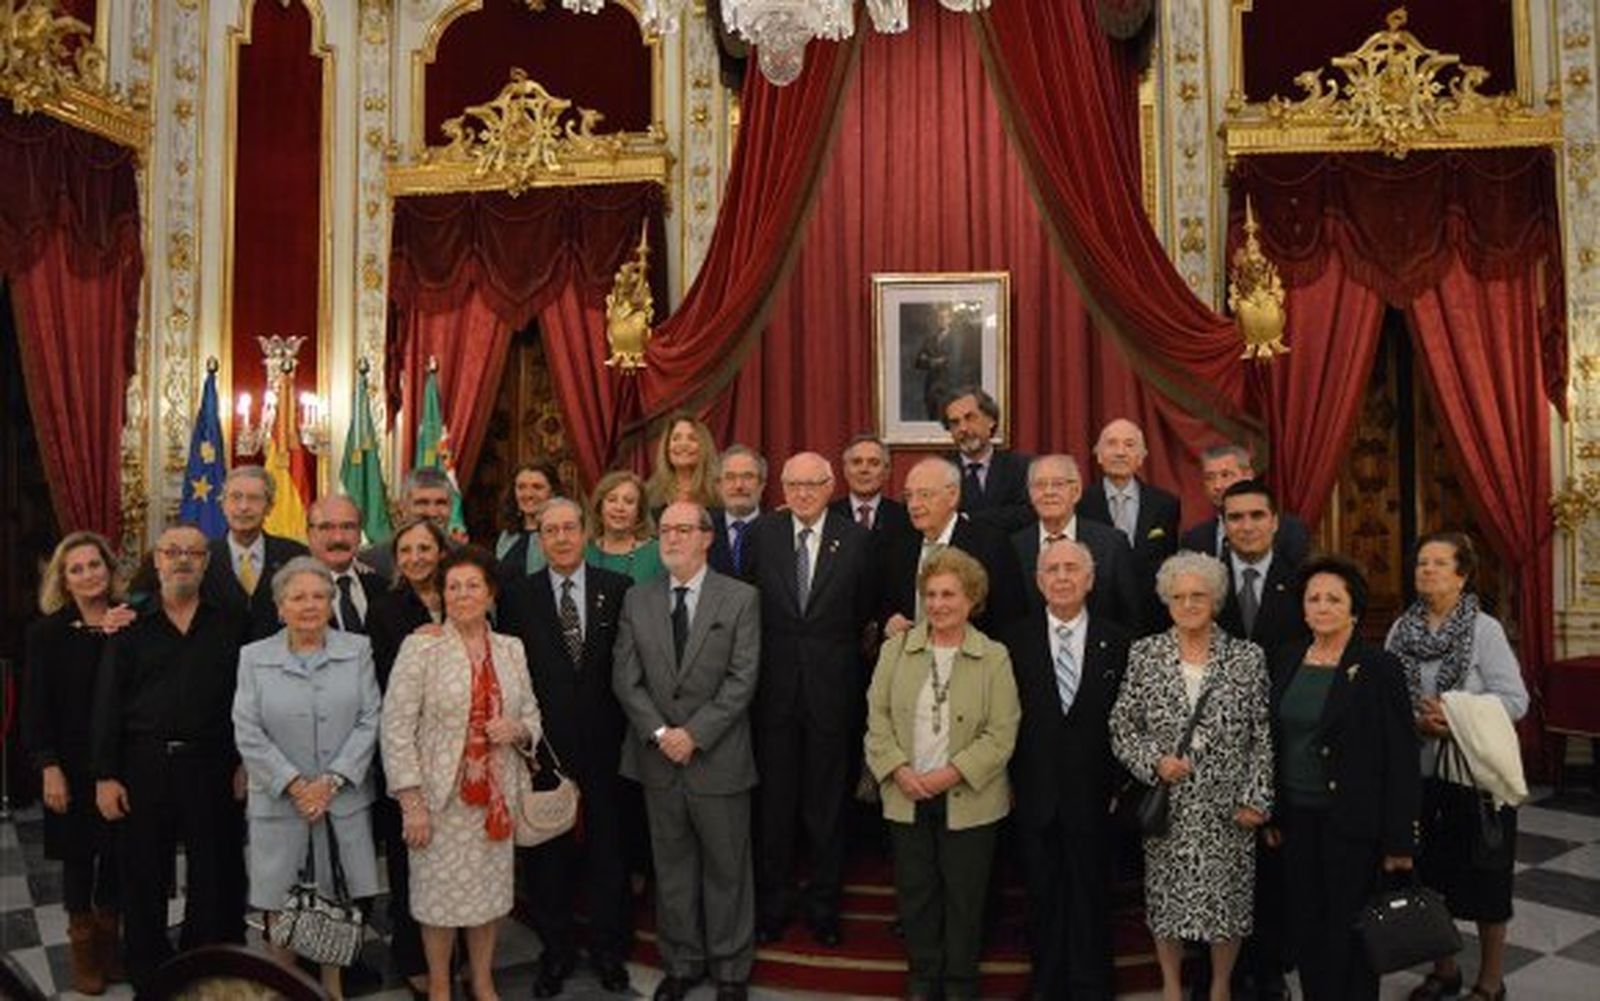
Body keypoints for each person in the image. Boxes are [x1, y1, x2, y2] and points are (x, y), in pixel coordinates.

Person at [91, 523, 252, 987]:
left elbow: (247, 699)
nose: (183, 559)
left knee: (216, 868)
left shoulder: (231, 623)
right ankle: (149, 971)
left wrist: (244, 760)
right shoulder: (128, 625)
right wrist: (104, 776)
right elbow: (107, 705)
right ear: (157, 560)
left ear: (206, 563)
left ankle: (209, 962)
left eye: (194, 553)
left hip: (214, 763)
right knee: (142, 871)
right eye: (173, 551)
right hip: (144, 764)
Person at [612, 501, 761, 1001]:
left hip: (718, 759)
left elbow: (742, 681)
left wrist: (693, 735)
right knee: (672, 869)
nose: (671, 538)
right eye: (665, 531)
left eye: (682, 530)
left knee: (727, 870)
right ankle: (681, 963)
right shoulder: (639, 599)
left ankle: (731, 970)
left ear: (707, 537)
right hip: (658, 760)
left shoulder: (740, 599)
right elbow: (625, 679)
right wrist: (660, 734)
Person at [1110, 551, 1273, 1001]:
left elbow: (1261, 734)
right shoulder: (1145, 653)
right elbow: (1122, 727)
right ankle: (1171, 988)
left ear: (1216, 600)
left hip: (1227, 808)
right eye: (1178, 596)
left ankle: (1220, 987)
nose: (1188, 604)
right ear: (1166, 601)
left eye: (1198, 595)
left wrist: (1256, 798)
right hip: (1170, 807)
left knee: (1228, 904)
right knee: (1166, 904)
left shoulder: (1247, 657)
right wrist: (1154, 762)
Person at [381, 546, 542, 1001]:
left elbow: (532, 712)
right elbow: (395, 727)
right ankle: (438, 983)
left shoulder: (511, 649)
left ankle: (483, 978)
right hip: (439, 800)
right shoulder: (423, 647)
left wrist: (519, 729)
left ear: (490, 593)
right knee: (437, 901)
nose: (462, 594)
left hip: (496, 799)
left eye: (473, 585)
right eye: (453, 586)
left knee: (487, 897)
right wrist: (411, 801)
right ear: (442, 594)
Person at [864, 547, 1020, 1001]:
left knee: (965, 899)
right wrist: (898, 769)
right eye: (930, 594)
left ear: (971, 599)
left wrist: (951, 774)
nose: (938, 604)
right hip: (906, 794)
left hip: (970, 800)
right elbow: (876, 718)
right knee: (916, 896)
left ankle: (960, 985)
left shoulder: (994, 656)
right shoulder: (896, 649)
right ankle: (923, 981)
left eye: (949, 594)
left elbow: (1001, 732)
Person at [496, 498, 635, 997]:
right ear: (539, 538)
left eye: (569, 528)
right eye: (549, 530)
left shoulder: (618, 589)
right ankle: (555, 953)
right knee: (547, 860)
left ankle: (607, 952)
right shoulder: (516, 596)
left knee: (608, 855)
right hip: (544, 751)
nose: (559, 537)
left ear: (585, 533)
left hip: (608, 746)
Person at [744, 453, 880, 947]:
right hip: (773, 693)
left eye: (812, 484)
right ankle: (774, 905)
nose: (802, 493)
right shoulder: (763, 536)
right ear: (781, 488)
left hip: (832, 691)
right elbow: (750, 603)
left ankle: (825, 906)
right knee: (775, 808)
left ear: (829, 487)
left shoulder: (858, 540)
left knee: (827, 808)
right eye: (793, 484)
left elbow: (863, 611)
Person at [1269, 555, 1417, 1001]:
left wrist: (1400, 841)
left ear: (1354, 608)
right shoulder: (1287, 658)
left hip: (1353, 822)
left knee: (1350, 932)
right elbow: (1273, 741)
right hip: (1295, 819)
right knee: (1308, 927)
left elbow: (1402, 759)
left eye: (1334, 598)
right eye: (1313, 598)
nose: (1322, 606)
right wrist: (1273, 811)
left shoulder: (1379, 667)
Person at [1387, 532, 1528, 1001]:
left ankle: (1490, 981)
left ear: (1463, 574)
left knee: (1487, 882)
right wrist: (1412, 720)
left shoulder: (1483, 630)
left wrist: (1455, 716)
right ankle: (1444, 969)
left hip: (1475, 778)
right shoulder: (1400, 629)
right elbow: (1385, 697)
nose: (1426, 570)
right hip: (1418, 774)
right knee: (1430, 879)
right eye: (1421, 562)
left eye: (1439, 564)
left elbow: (1515, 700)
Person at [233, 557, 382, 999]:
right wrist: (297, 785)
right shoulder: (253, 657)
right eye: (297, 597)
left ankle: (332, 990)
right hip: (280, 804)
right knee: (280, 905)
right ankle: (283, 988)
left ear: (331, 603)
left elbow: (370, 718)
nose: (309, 606)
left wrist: (331, 782)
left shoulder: (357, 649)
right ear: (280, 608)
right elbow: (247, 729)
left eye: (319, 596)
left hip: (341, 802)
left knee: (337, 900)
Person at [1003, 538, 1131, 1000]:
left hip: (1096, 795)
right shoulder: (1013, 640)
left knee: (1092, 895)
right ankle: (1047, 985)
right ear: (1038, 581)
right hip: (1034, 792)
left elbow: (1128, 719)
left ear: (1090, 579)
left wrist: (1121, 785)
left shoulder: (1118, 641)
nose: (1061, 577)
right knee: (1042, 896)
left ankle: (1092, 986)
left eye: (1071, 569)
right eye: (1052, 569)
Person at [23, 532, 134, 993]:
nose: (88, 574)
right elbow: (35, 708)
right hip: (67, 765)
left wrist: (113, 636)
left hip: (121, 763)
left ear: (109, 570)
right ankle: (83, 952)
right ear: (64, 580)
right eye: (77, 569)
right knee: (77, 859)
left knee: (116, 856)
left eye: (95, 565)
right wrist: (48, 766)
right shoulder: (46, 632)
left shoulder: (131, 621)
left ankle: (111, 948)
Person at [1212, 479, 1306, 999]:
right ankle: (1223, 967)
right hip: (1217, 750)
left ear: (1275, 521)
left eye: (1255, 516)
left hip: (1282, 744)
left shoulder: (1302, 584)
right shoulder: (1205, 584)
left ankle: (1268, 969)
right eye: (1235, 518)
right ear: (1223, 526)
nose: (1245, 526)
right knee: (1223, 860)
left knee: (1272, 865)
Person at [364, 515, 449, 996]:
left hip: (461, 753)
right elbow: (381, 686)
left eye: (425, 548)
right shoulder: (386, 609)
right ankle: (412, 954)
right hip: (409, 753)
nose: (416, 558)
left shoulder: (465, 595)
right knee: (408, 856)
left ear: (440, 550)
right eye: (407, 551)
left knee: (452, 858)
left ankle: (449, 955)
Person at [883, 457, 1026, 638]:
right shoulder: (898, 544)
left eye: (924, 495)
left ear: (952, 496)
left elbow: (1010, 617)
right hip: (911, 660)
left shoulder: (991, 545)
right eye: (909, 496)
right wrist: (889, 621)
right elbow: (885, 605)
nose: (914, 505)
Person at [1010, 453, 1142, 631]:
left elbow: (1130, 616)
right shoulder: (1013, 547)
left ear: (1076, 491)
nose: (1048, 492)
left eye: (1058, 484)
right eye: (1040, 485)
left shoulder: (1112, 544)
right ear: (1030, 493)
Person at [1079, 419, 1180, 626]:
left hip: (1152, 616)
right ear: (1098, 455)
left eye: (1129, 445)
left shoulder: (1165, 504)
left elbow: (1169, 563)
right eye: (1112, 444)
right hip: (1097, 615)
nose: (1120, 452)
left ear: (1142, 457)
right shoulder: (1080, 503)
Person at [202, 465, 309, 640]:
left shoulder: (295, 556)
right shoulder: (202, 556)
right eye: (235, 497)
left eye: (254, 498)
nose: (244, 507)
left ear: (269, 507)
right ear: (222, 505)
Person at [1180, 444, 1309, 565]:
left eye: (1226, 475)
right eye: (1209, 478)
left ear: (1248, 476)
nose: (1217, 485)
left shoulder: (1290, 532)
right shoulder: (1194, 539)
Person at [944, 386, 1032, 532]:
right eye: (955, 423)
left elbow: (1028, 514)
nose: (963, 428)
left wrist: (968, 518)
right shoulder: (936, 472)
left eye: (970, 418)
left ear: (991, 420)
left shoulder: (1021, 468)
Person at [307, 494, 385, 635]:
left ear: (360, 534)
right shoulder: (289, 593)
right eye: (326, 527)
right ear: (309, 534)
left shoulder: (382, 588)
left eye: (348, 527)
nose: (338, 538)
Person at [362, 468, 458, 579]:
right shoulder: (371, 563)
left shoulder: (466, 558)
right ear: (403, 507)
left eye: (441, 503)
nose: (432, 512)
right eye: (422, 503)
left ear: (451, 507)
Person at [584, 469, 666, 584]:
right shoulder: (583, 552)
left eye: (629, 501)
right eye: (612, 500)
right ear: (599, 507)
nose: (619, 508)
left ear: (639, 512)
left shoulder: (658, 553)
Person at [829, 433, 911, 536]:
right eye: (857, 462)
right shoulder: (827, 516)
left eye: (874, 463)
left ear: (887, 472)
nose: (864, 470)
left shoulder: (905, 518)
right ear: (845, 470)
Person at [494, 458, 561, 581]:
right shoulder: (506, 535)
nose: (528, 494)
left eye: (537, 487)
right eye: (521, 487)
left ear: (553, 492)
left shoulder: (563, 535)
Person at [645, 412, 720, 512]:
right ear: (666, 448)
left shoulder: (719, 491)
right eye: (676, 438)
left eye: (692, 439)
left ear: (704, 447)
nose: (683, 445)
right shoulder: (650, 492)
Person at [709, 444, 765, 576]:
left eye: (748, 476)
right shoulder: (703, 528)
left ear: (762, 485)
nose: (739, 485)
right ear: (718, 485)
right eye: (730, 477)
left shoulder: (778, 531)